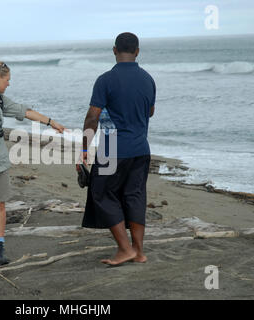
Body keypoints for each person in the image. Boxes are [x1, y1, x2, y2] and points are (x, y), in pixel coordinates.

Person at [0, 61, 65, 272]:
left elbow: (24, 111)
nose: (9, 83)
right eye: (7, 79)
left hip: (0, 162)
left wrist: (51, 122)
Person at [77, 32, 156, 266]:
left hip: (113, 146)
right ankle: (138, 251)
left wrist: (84, 149)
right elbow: (150, 111)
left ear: (114, 50)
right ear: (137, 51)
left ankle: (124, 249)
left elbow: (92, 117)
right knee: (135, 195)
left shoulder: (106, 80)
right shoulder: (148, 79)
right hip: (141, 147)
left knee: (101, 193)